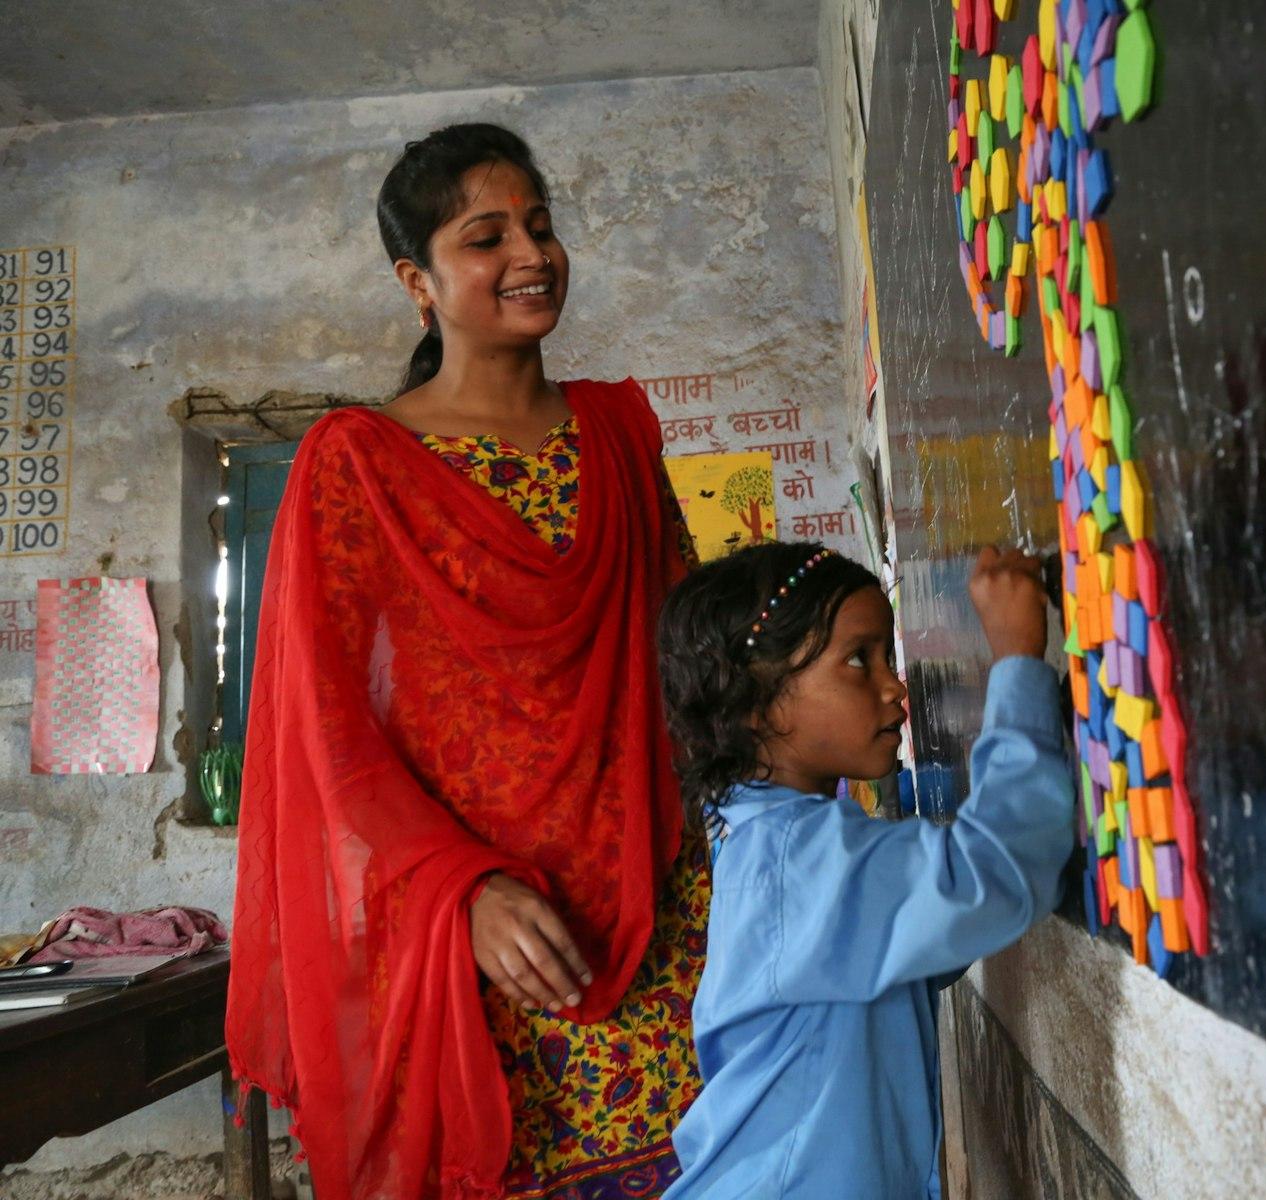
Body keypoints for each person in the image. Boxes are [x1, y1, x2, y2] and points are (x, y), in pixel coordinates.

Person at [226, 123, 707, 1200]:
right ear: (419, 281)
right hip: (479, 940)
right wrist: (466, 890)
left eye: (540, 227)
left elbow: (688, 660)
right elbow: (329, 734)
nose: (532, 256)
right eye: (488, 237)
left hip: (662, 906)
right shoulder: (357, 465)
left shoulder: (620, 432)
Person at [656, 542, 1075, 1198]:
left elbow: (934, 937)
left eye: (887, 655)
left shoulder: (774, 841)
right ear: (753, 700)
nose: (894, 686)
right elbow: (1005, 868)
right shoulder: (801, 860)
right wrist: (1018, 660)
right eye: (859, 660)